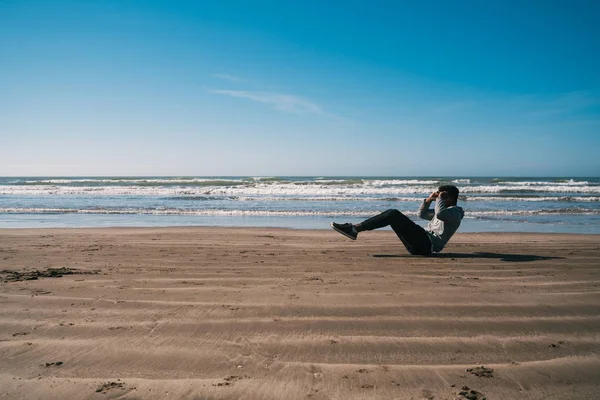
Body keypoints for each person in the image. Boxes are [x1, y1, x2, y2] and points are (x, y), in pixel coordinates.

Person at [330, 185, 464, 255]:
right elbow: (421, 214)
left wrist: (440, 199)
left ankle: (354, 229)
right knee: (392, 217)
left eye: (442, 196)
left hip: (426, 244)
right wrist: (429, 199)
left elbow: (440, 214)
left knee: (393, 214)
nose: (438, 198)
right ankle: (354, 229)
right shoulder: (445, 212)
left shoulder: (455, 213)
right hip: (419, 245)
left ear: (450, 197)